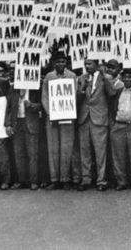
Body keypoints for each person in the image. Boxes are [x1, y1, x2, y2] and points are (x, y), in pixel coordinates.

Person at [76, 59, 117, 191]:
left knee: (100, 151)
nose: (87, 66)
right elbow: (76, 98)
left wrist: (104, 77)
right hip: (84, 118)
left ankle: (101, 179)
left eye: (90, 64)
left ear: (96, 64)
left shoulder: (105, 78)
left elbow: (112, 93)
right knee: (85, 151)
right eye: (85, 64)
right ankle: (86, 178)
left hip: (99, 119)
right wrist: (82, 89)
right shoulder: (81, 78)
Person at [41, 51, 79, 190]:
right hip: (52, 117)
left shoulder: (72, 76)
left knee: (66, 147)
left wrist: (67, 109)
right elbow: (44, 96)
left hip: (67, 116)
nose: (60, 64)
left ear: (66, 63)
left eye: (63, 61)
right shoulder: (49, 77)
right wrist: (49, 112)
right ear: (53, 63)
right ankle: (54, 179)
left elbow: (74, 95)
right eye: (58, 62)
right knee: (53, 148)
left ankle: (66, 178)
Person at [12, 86, 42, 190]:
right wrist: (8, 124)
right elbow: (9, 106)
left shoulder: (35, 87)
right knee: (18, 153)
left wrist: (32, 105)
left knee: (32, 153)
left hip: (31, 123)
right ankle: (21, 180)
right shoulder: (13, 87)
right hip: (17, 123)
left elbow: (42, 104)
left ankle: (33, 181)